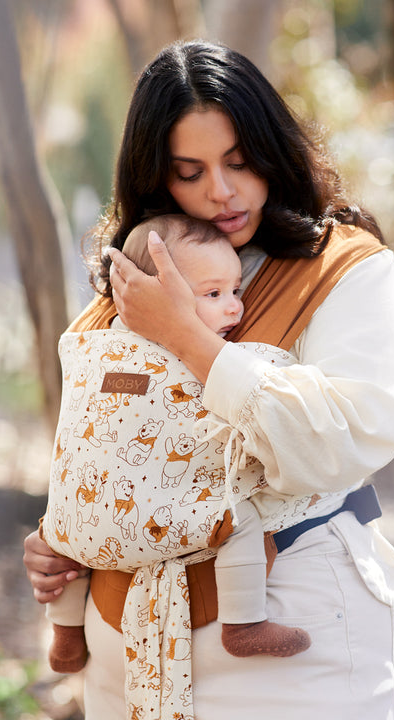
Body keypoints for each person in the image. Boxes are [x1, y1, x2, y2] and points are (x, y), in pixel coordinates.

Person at [23, 40, 394, 720]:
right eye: (189, 171)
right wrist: (68, 529)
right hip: (127, 645)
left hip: (293, 649)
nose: (222, 191)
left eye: (239, 161)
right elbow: (105, 437)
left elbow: (347, 439)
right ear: (155, 178)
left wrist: (188, 337)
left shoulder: (344, 268)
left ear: (273, 148)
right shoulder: (130, 282)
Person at [44, 213, 310, 675]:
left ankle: (65, 633)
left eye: (236, 291)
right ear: (148, 292)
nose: (234, 309)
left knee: (60, 527)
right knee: (240, 520)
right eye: (213, 294)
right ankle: (243, 624)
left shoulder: (96, 345)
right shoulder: (202, 355)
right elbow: (260, 392)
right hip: (166, 516)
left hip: (95, 515)